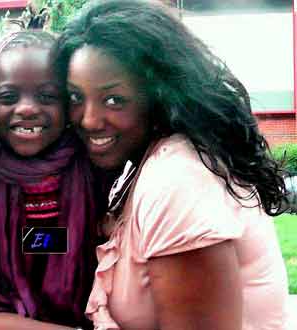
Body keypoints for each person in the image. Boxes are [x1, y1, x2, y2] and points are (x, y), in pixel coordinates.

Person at [53, 1, 289, 329]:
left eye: (113, 100)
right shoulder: (140, 165)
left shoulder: (178, 179)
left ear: (159, 95)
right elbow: (60, 238)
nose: (89, 120)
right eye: (76, 97)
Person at [0, 31, 107, 330]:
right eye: (8, 97)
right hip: (2, 317)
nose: (27, 108)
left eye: (46, 96)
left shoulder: (95, 164)